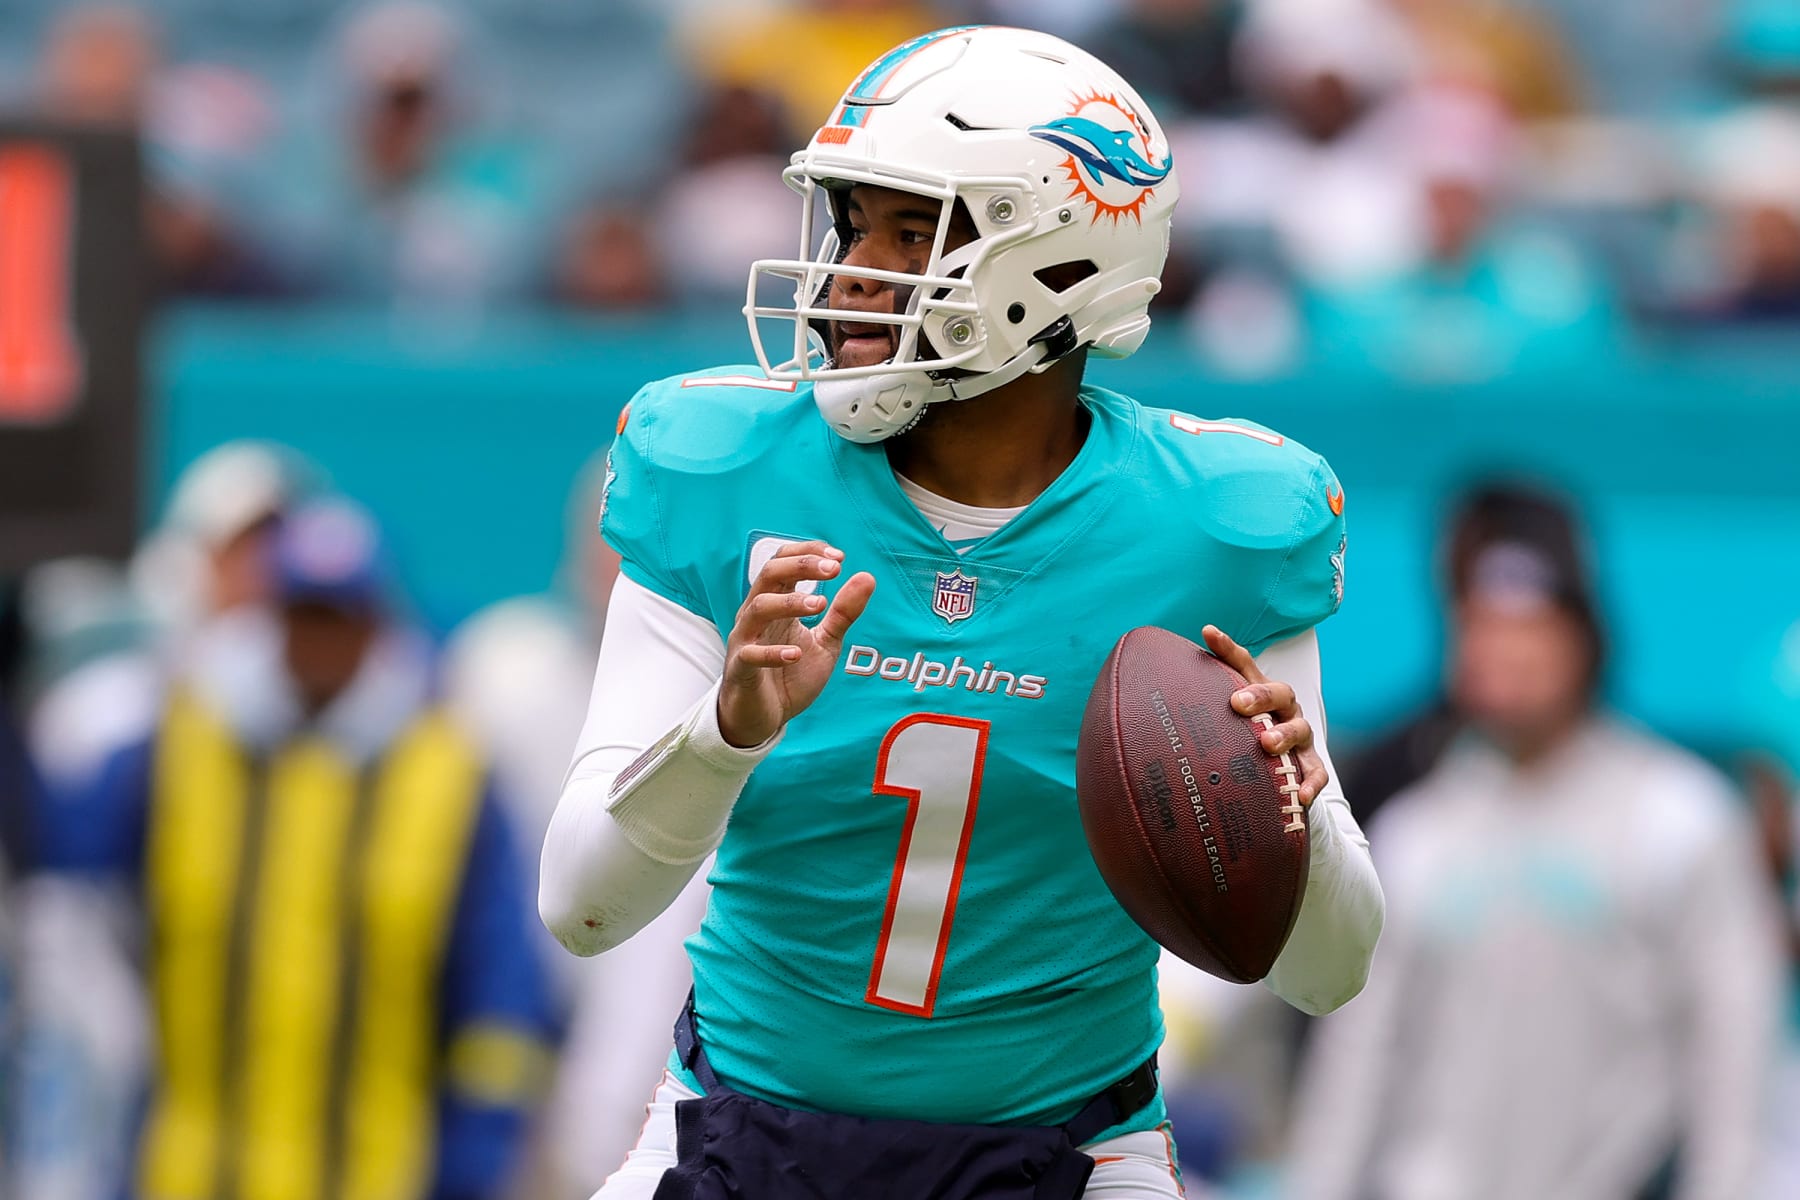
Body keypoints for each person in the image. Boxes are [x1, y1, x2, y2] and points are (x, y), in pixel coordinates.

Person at [537, 25, 1382, 1199]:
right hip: (738, 1130)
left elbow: (1328, 974)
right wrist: (724, 734)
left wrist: (1304, 807)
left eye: (908, 232)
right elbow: (579, 906)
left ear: (1059, 261)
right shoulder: (723, 467)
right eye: (853, 225)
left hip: (1066, 1153)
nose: (848, 274)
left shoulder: (1214, 529)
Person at [41, 498, 555, 1200]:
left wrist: (471, 1162)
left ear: (376, 627)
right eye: (301, 617)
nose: (316, 643)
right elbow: (56, 858)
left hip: (374, 1176)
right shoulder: (178, 746)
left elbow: (501, 1001)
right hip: (186, 1174)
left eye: (336, 621)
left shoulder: (450, 780)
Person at [1289, 488, 1785, 1200]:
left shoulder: (1682, 819)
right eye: (1482, 625)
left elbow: (1733, 1060)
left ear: (1584, 635)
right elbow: (1357, 1062)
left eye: (1531, 624)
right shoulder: (1412, 836)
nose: (1505, 649)